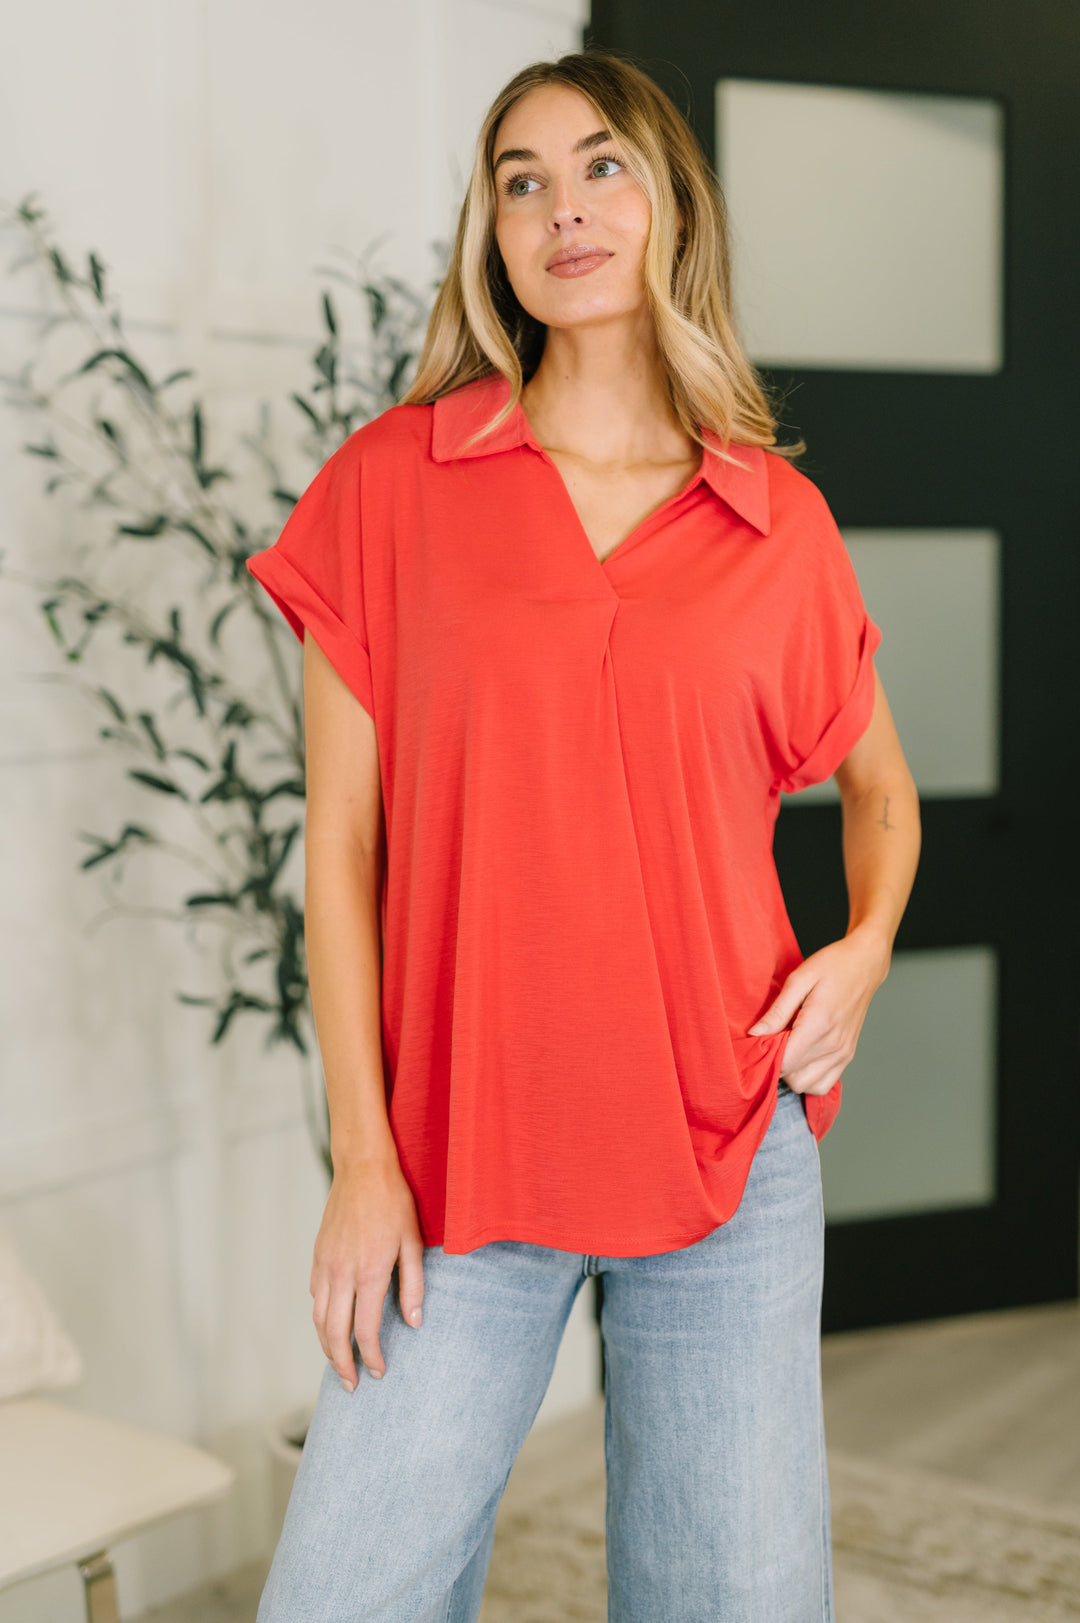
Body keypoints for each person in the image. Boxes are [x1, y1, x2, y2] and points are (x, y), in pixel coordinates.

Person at [246, 47, 921, 1623]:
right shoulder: (391, 487)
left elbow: (879, 787)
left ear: (669, 201)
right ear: (492, 231)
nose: (563, 207)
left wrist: (867, 949)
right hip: (460, 1149)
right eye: (522, 179)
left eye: (601, 165)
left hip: (724, 1147)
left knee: (734, 1603)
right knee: (341, 1597)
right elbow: (336, 849)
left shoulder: (774, 521)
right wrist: (363, 1156)